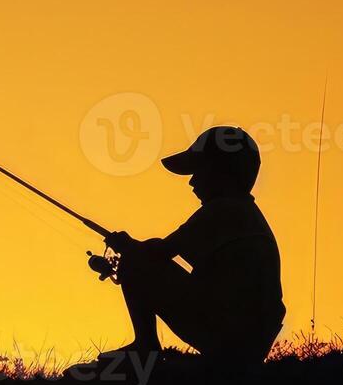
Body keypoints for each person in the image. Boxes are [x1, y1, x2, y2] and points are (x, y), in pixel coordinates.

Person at [93, 126, 285, 367]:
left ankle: (146, 346)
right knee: (141, 253)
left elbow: (157, 253)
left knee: (137, 259)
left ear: (222, 172)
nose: (192, 181)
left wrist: (127, 246)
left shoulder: (221, 211)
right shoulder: (246, 214)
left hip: (230, 335)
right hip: (251, 341)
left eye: (199, 171)